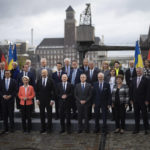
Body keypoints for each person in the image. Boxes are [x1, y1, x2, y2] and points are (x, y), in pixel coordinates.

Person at [130, 67, 149, 135]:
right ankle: (136, 129)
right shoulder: (133, 79)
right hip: (135, 100)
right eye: (137, 71)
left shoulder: (146, 79)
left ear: (142, 72)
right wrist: (131, 99)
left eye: (139, 71)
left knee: (144, 115)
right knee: (136, 115)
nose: (138, 72)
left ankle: (146, 129)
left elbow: (148, 91)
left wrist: (147, 100)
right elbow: (131, 90)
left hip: (143, 101)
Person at [36, 69, 56, 134]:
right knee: (42, 115)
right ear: (41, 74)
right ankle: (43, 128)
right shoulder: (38, 81)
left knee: (49, 115)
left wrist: (52, 100)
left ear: (47, 73)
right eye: (42, 73)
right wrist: (37, 99)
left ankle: (49, 129)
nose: (43, 74)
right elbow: (37, 91)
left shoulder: (51, 81)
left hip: (49, 100)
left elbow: (53, 91)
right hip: (41, 101)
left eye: (45, 73)